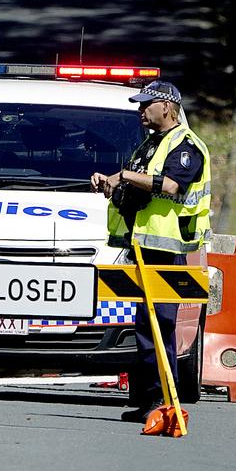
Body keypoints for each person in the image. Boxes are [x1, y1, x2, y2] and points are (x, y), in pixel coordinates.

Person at [90, 80, 211, 422]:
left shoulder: (185, 146)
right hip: (142, 243)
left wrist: (125, 175)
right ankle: (147, 399)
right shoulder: (149, 145)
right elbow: (139, 186)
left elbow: (172, 185)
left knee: (160, 323)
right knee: (145, 324)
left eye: (146, 105)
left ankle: (162, 399)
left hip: (166, 247)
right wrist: (112, 184)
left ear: (168, 108)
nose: (140, 110)